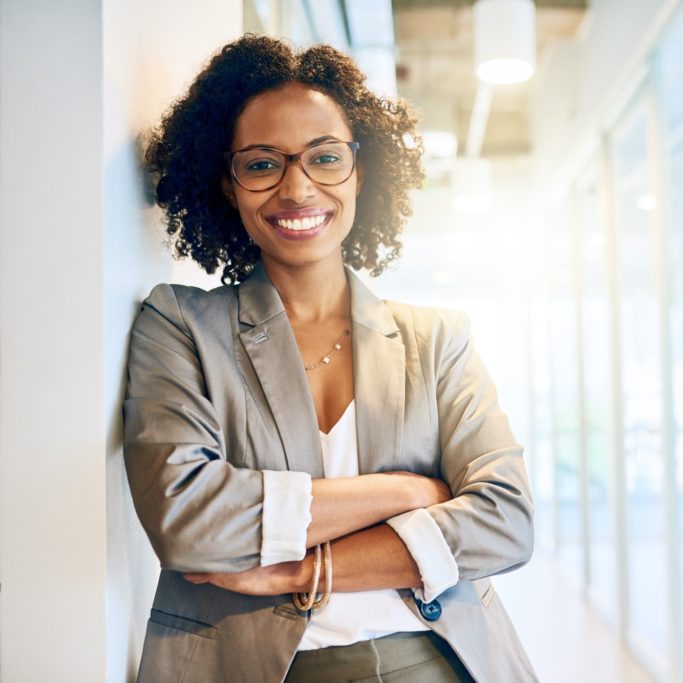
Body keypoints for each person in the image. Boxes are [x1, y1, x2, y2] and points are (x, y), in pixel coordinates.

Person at [123, 34, 537, 683]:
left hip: (438, 659)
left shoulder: (437, 340)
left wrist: (298, 570)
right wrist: (407, 492)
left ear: (359, 170)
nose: (297, 187)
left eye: (324, 157)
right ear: (227, 184)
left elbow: (506, 521)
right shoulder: (181, 326)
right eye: (262, 164)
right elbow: (189, 523)